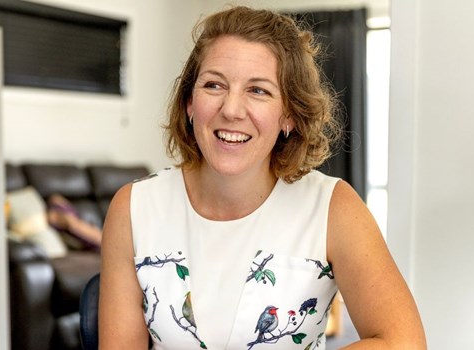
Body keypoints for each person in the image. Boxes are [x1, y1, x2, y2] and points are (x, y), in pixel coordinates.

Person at [99, 5, 426, 350]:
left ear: (290, 115)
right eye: (214, 85)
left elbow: (403, 341)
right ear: (189, 104)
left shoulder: (333, 208)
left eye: (258, 90)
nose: (231, 109)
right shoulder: (133, 209)